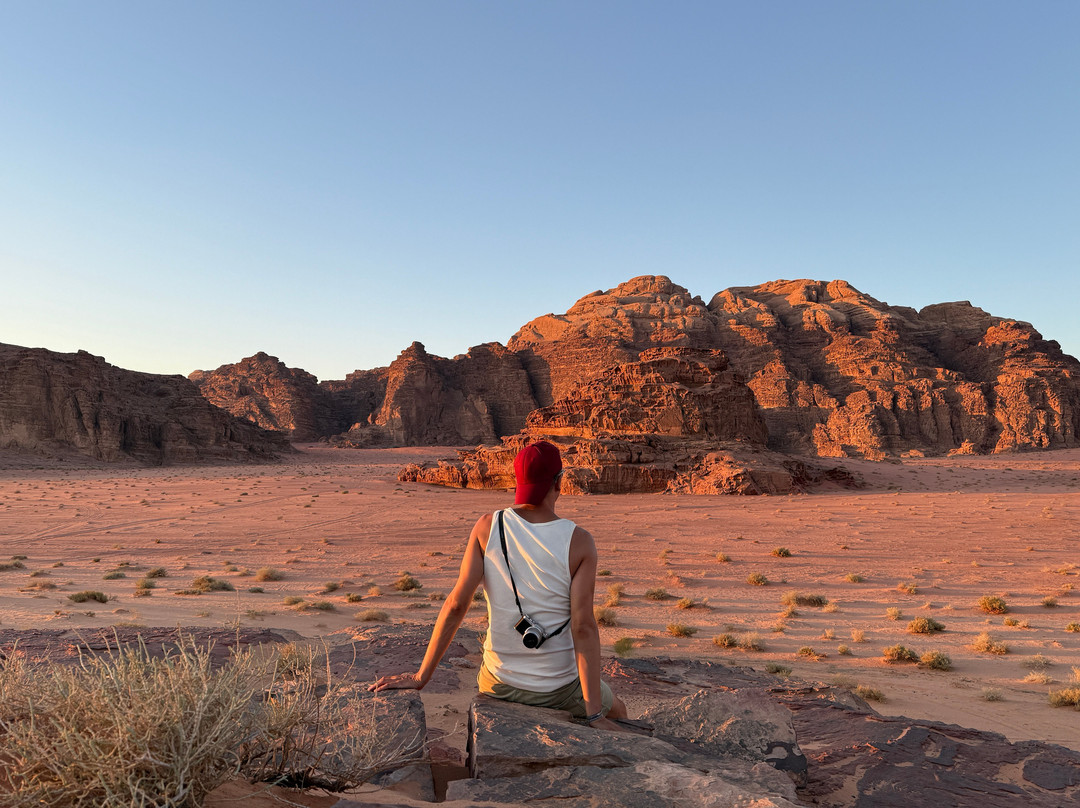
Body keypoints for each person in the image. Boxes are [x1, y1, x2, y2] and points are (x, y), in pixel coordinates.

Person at [369, 440, 629, 732]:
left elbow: (456, 604)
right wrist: (594, 715)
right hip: (557, 691)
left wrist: (421, 676)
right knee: (618, 709)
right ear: (560, 482)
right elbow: (583, 627)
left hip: (498, 683)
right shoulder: (580, 541)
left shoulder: (487, 526)